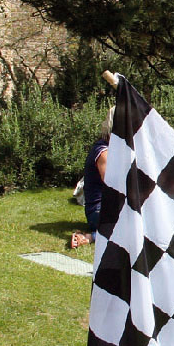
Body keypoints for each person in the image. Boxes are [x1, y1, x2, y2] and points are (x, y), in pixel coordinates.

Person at [71, 106, 114, 248]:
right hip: (98, 210)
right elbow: (113, 185)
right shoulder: (104, 152)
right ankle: (91, 236)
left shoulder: (113, 148)